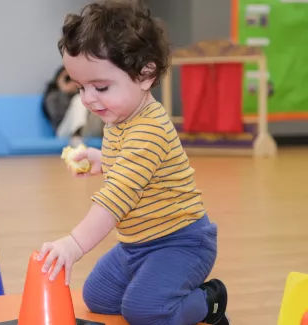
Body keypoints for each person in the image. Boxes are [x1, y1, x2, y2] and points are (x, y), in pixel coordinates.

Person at [36, 1, 230, 325]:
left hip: (181, 243)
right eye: (81, 87)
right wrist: (103, 159)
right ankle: (166, 286)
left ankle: (208, 301)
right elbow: (133, 170)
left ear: (145, 74)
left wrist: (73, 244)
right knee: (97, 297)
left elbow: (115, 201)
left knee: (144, 311)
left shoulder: (149, 130)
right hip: (137, 245)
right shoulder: (120, 116)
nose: (87, 99)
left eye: (100, 87)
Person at [42, 66, 105, 145]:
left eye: (73, 78)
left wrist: (79, 89)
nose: (70, 82)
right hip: (63, 131)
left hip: (84, 130)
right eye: (67, 78)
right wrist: (64, 92)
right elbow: (57, 118)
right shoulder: (53, 96)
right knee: (78, 99)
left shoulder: (83, 93)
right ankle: (76, 134)